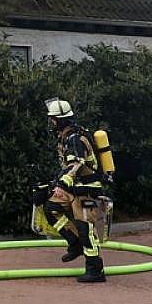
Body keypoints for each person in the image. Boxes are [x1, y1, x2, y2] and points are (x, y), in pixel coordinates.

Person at [43, 98, 108, 284]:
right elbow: (67, 167)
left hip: (87, 189)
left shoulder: (75, 139)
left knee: (85, 228)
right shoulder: (66, 138)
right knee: (51, 208)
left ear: (61, 120)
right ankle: (75, 243)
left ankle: (95, 270)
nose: (51, 123)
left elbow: (76, 164)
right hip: (74, 188)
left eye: (53, 119)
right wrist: (54, 183)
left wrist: (62, 184)